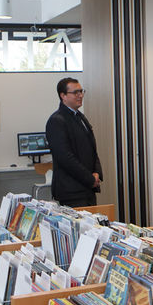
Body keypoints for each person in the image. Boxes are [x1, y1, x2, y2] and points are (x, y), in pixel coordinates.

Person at [45, 77, 103, 207]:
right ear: (63, 96)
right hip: (71, 190)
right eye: (75, 92)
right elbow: (65, 157)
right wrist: (89, 179)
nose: (80, 95)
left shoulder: (80, 117)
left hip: (87, 187)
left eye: (81, 91)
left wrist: (96, 173)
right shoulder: (57, 120)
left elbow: (92, 149)